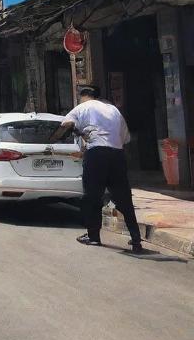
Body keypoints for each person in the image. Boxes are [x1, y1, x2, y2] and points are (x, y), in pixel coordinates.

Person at [49, 85, 148, 253]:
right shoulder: (114, 110)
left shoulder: (82, 107)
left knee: (92, 196)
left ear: (84, 96)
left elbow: (65, 124)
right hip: (117, 155)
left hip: (96, 155)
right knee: (124, 197)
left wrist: (70, 134)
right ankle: (136, 239)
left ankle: (93, 237)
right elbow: (126, 138)